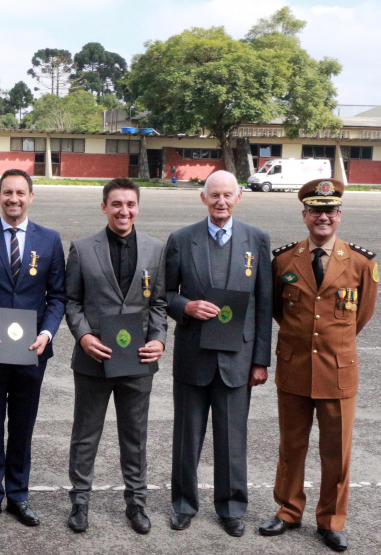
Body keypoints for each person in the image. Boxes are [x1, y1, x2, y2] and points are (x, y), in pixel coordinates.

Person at [259, 179, 377, 552]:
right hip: (294, 369)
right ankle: (288, 511)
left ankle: (331, 521)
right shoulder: (284, 260)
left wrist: (332, 342)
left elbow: (361, 316)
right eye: (315, 211)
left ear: (339, 216)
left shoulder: (361, 262)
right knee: (291, 447)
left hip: (338, 372)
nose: (322, 217)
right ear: (305, 215)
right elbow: (278, 310)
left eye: (329, 211)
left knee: (336, 453)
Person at [164, 170, 271, 537]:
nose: (221, 201)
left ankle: (231, 508)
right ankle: (183, 504)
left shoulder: (257, 240)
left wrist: (260, 360)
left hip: (237, 359)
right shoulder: (181, 239)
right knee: (186, 437)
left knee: (232, 439)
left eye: (227, 195)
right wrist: (186, 306)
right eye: (215, 195)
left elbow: (263, 304)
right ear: (204, 198)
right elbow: (165, 294)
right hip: (193, 356)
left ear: (238, 197)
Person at [0, 169, 66, 529]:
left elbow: (58, 297)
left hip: (32, 350)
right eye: (7, 192)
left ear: (31, 196)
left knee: (22, 424)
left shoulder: (49, 240)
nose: (13, 199)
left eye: (20, 192)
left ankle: (18, 494)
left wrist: (47, 334)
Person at [63, 178, 167, 535]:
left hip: (138, 359)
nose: (124, 211)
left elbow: (158, 302)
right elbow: (72, 301)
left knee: (135, 436)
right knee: (86, 434)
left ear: (138, 207)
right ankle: (80, 501)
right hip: (94, 358)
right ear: (104, 206)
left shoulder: (155, 249)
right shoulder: (82, 248)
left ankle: (136, 502)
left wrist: (159, 340)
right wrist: (84, 336)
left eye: (130, 204)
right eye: (117, 204)